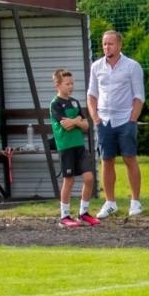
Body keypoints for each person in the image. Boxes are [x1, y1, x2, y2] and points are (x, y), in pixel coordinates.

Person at [88, 29, 145, 218]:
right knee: (106, 160)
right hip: (104, 121)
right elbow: (92, 95)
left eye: (110, 43)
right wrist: (95, 117)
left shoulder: (132, 66)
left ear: (119, 45)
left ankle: (135, 202)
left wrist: (132, 119)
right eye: (104, 44)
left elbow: (139, 96)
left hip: (125, 120)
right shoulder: (96, 67)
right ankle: (110, 202)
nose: (107, 47)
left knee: (129, 158)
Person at [49, 69, 100, 228]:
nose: (71, 86)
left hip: (79, 147)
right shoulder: (55, 104)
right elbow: (66, 125)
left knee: (89, 178)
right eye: (67, 84)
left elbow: (85, 125)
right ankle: (64, 216)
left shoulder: (75, 102)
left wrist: (77, 121)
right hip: (66, 147)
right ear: (57, 85)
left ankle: (83, 213)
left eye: (72, 83)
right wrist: (77, 120)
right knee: (69, 181)